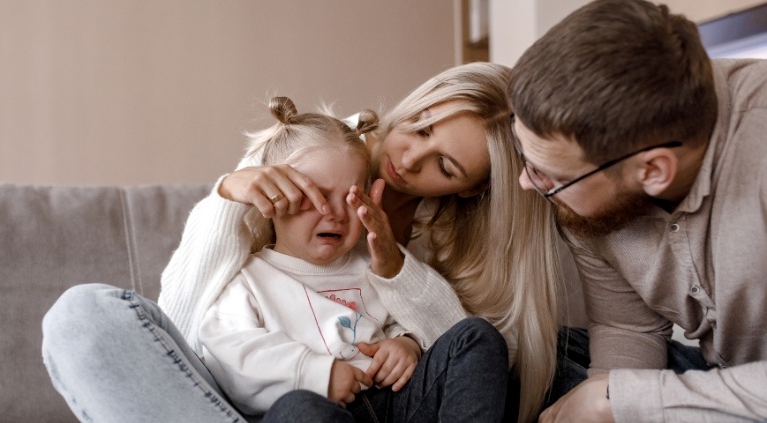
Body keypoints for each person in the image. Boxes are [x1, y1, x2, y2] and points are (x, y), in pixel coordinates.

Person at [43, 62, 566, 423]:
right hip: (289, 405)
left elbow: (455, 345)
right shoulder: (299, 163)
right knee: (298, 409)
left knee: (494, 342)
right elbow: (193, 332)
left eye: (445, 166)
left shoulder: (394, 258)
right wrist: (229, 196)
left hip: (392, 405)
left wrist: (406, 335)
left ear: (472, 191)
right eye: (421, 128)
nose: (408, 159)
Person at [508, 0, 767, 422]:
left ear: (653, 169)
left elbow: (625, 396)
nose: (526, 183)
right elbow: (629, 329)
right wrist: (605, 399)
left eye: (549, 175)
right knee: (542, 354)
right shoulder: (588, 199)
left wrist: (623, 401)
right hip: (720, 379)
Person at [197, 96, 509, 422]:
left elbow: (411, 320)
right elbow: (230, 354)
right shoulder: (249, 280)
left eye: (351, 197)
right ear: (273, 198)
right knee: (298, 411)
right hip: (322, 408)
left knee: (476, 336)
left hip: (395, 402)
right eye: (313, 194)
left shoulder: (373, 265)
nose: (334, 214)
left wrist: (407, 344)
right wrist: (317, 373)